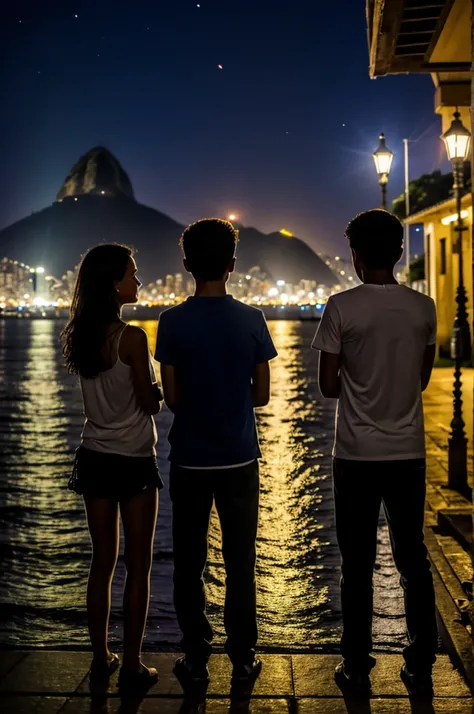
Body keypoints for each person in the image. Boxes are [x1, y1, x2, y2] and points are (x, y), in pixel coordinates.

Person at [312, 209, 438, 698]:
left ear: (356, 256)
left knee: (357, 562)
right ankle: (420, 660)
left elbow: (327, 386)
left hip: (357, 454)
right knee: (413, 558)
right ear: (400, 252)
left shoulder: (340, 306)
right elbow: (421, 378)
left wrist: (358, 381)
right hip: (408, 451)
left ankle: (357, 665)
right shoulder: (423, 307)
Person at [155, 218, 277, 686]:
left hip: (189, 460)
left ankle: (196, 657)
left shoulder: (171, 322)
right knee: (240, 560)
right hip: (240, 460)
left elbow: (174, 397)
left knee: (189, 563)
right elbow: (262, 395)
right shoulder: (251, 320)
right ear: (232, 265)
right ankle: (243, 657)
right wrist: (230, 391)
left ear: (186, 265)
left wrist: (202, 392)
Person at [61, 243, 163, 694]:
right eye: (133, 274)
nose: (138, 281)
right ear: (114, 284)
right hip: (134, 459)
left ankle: (100, 655)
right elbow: (148, 403)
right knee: (138, 564)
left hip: (94, 455)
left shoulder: (79, 334)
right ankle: (134, 664)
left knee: (101, 562)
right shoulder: (132, 338)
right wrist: (159, 387)